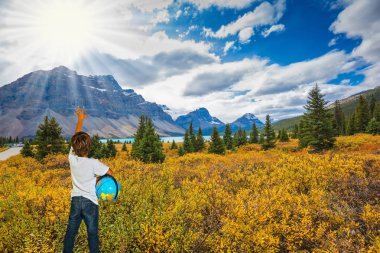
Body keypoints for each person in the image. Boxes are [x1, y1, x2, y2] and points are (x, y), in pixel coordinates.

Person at [63, 106, 113, 253]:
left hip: (75, 201)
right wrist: (98, 178)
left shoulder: (72, 158)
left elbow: (76, 136)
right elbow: (110, 172)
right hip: (90, 202)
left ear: (74, 146)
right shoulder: (93, 163)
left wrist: (80, 120)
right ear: (89, 146)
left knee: (71, 232)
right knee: (92, 234)